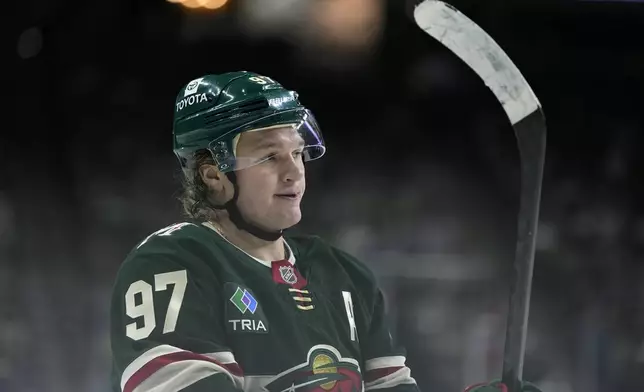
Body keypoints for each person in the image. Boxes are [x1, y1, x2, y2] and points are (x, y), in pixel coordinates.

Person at [109, 71, 542, 392]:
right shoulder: (171, 264)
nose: (293, 172)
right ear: (213, 176)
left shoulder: (344, 275)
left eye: (297, 153)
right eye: (269, 157)